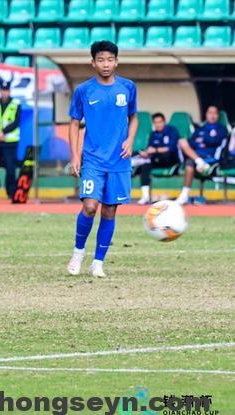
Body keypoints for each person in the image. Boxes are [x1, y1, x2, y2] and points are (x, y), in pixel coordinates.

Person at [66, 41, 138, 278]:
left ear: (116, 62)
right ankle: (78, 252)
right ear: (93, 63)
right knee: (89, 206)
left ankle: (98, 262)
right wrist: (75, 155)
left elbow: (134, 117)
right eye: (100, 60)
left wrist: (130, 140)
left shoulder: (128, 87)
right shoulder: (84, 90)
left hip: (119, 161)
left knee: (109, 211)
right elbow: (74, 123)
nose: (105, 64)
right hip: (93, 160)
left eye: (110, 60)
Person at [176, 106, 229, 204]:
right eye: (210, 113)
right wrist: (201, 140)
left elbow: (214, 141)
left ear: (217, 115)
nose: (212, 115)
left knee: (191, 161)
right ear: (206, 114)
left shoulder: (221, 129)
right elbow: (192, 143)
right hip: (196, 157)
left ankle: (200, 162)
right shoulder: (200, 129)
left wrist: (202, 139)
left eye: (215, 113)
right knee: (182, 142)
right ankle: (185, 195)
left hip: (211, 158)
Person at [131, 113, 180, 205]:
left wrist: (155, 150)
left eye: (160, 122)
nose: (158, 124)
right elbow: (150, 148)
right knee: (145, 165)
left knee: (163, 155)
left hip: (171, 160)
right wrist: (146, 153)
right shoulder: (153, 134)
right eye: (155, 122)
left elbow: (172, 148)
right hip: (155, 159)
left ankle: (138, 161)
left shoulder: (171, 130)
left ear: (164, 122)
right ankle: (145, 197)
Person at [0, 81, 21, 199]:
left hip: (10, 141)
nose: (4, 92)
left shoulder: (16, 104)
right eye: (2, 90)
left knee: (10, 168)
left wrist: (3, 132)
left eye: (6, 90)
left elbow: (16, 122)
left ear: (9, 91)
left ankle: (11, 191)